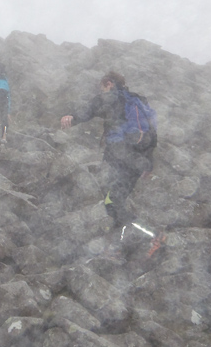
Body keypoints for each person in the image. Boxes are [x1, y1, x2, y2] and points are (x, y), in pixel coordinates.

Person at [61, 71, 163, 257]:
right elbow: (152, 135)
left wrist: (72, 117)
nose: (101, 91)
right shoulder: (136, 101)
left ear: (108, 83)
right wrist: (148, 163)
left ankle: (154, 235)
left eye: (102, 87)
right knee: (114, 202)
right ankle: (115, 247)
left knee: (112, 202)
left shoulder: (113, 98)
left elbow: (91, 109)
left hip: (121, 160)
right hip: (136, 161)